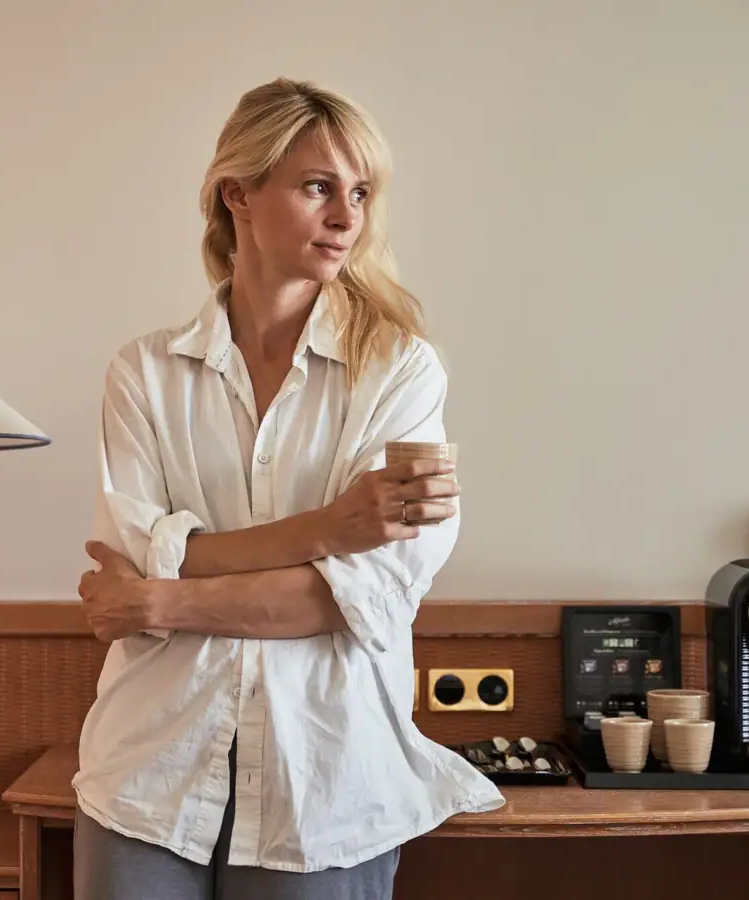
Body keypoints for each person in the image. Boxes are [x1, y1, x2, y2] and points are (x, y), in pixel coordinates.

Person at [73, 77, 505, 900]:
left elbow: (357, 597)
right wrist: (328, 529)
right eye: (317, 187)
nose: (346, 217)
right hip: (146, 778)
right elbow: (126, 551)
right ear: (237, 193)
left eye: (360, 193)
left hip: (327, 788)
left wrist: (161, 598)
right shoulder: (144, 374)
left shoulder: (401, 373)